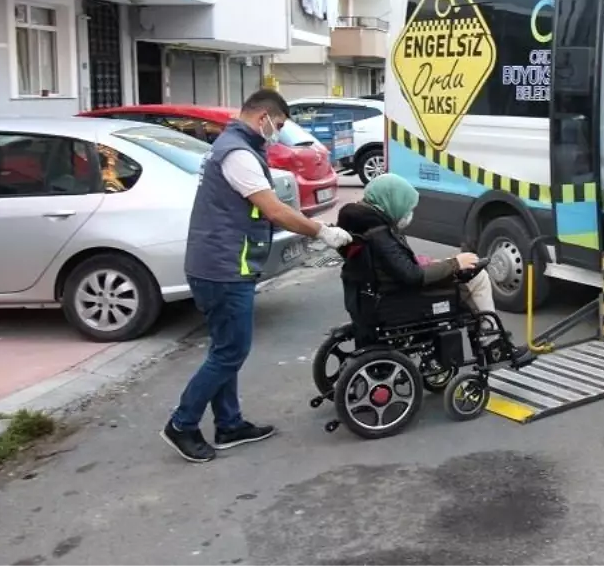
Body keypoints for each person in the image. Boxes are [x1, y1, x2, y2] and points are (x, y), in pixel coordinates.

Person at [161, 89, 353, 464]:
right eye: (278, 125)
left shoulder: (234, 146)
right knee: (231, 351)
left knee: (224, 350)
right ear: (263, 116)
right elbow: (274, 210)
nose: (278, 132)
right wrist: (320, 232)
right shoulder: (237, 153)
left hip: (221, 263)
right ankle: (182, 424)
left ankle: (229, 425)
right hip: (223, 268)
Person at [335, 173, 533, 364]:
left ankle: (490, 339)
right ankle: (492, 344)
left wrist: (435, 263)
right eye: (406, 208)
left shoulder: (357, 225)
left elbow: (393, 266)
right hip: (397, 298)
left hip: (368, 296)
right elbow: (412, 276)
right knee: (477, 275)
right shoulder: (379, 233)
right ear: (391, 202)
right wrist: (456, 263)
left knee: (461, 265)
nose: (408, 214)